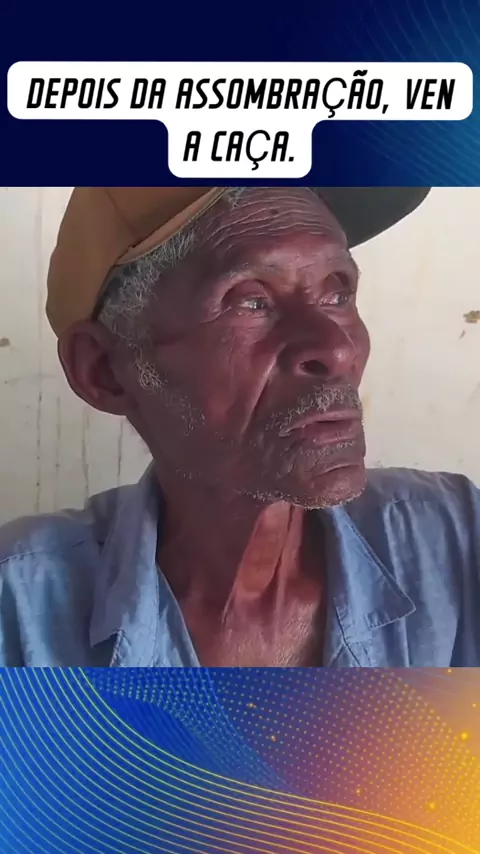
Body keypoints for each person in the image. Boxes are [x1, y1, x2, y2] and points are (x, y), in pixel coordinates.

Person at [0, 186, 478, 668]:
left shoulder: (457, 538)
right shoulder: (19, 608)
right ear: (104, 371)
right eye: (251, 302)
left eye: (337, 293)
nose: (336, 349)